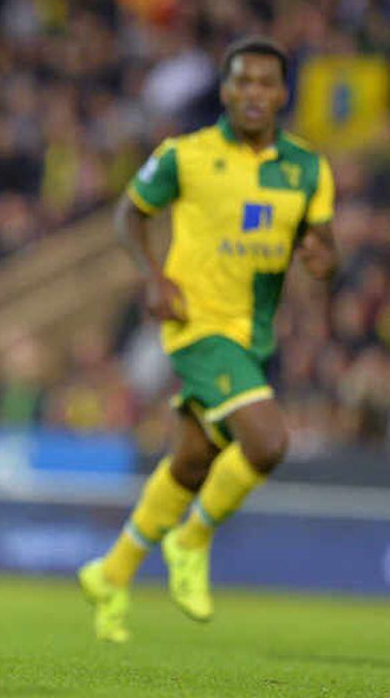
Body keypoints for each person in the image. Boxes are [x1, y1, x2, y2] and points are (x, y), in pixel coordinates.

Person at [78, 36, 338, 643]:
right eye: (241, 81)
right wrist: (154, 276)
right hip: (196, 325)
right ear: (225, 90)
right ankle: (191, 540)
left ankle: (111, 573)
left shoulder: (307, 168)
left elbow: (323, 247)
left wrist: (325, 259)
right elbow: (130, 214)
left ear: (281, 93)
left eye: (265, 83)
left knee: (194, 458)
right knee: (268, 442)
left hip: (255, 336)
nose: (253, 93)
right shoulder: (184, 156)